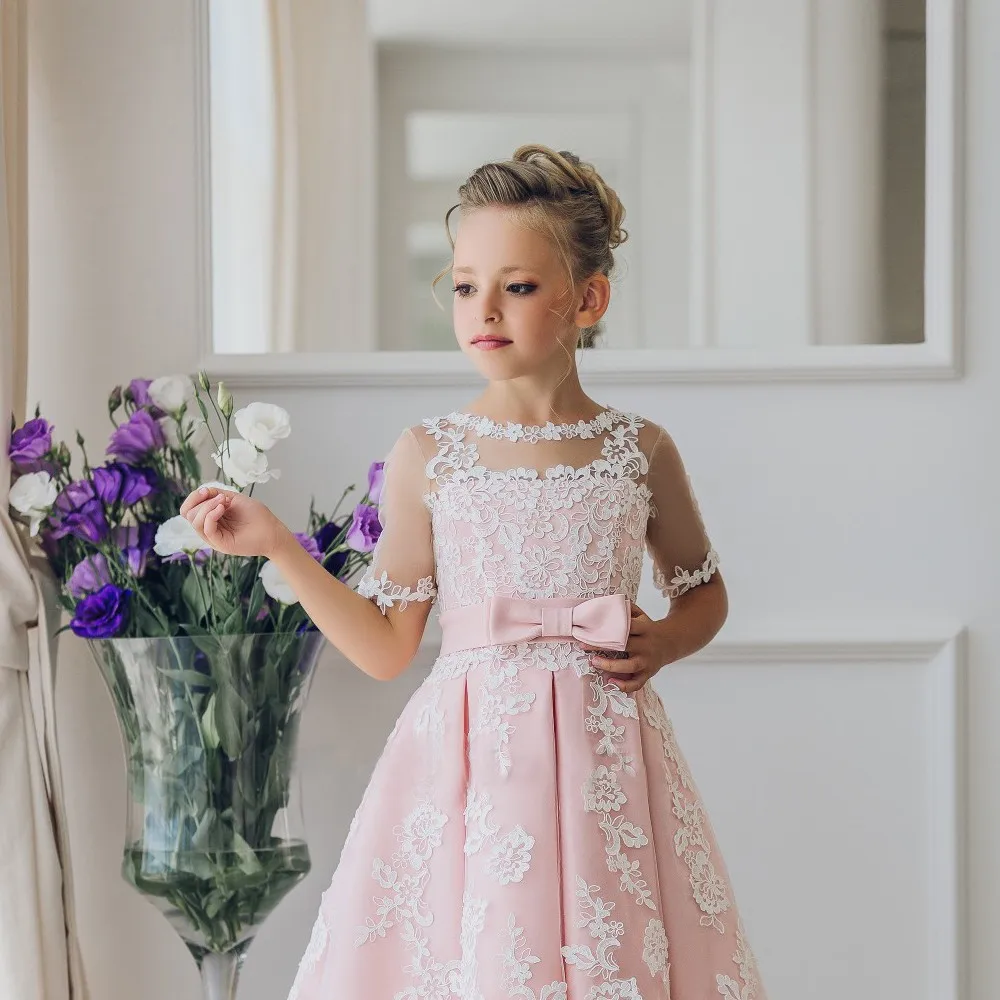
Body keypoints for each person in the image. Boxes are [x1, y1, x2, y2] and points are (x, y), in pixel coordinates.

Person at [181, 144, 768, 999]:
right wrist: (278, 546)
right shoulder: (431, 453)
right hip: (471, 766)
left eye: (518, 286)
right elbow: (388, 648)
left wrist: (667, 641)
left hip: (608, 765)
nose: (482, 308)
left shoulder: (638, 450)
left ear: (588, 299)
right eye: (464, 285)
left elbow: (704, 590)